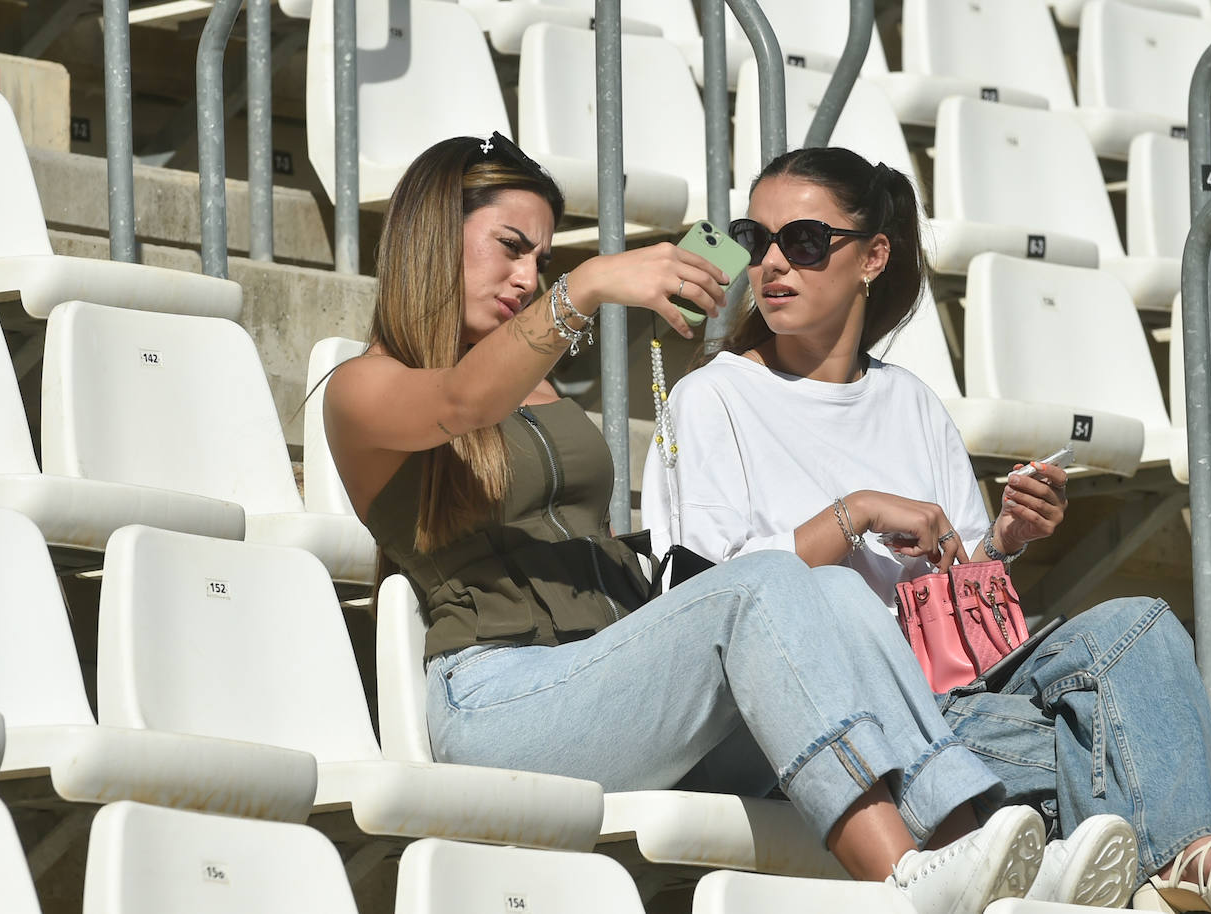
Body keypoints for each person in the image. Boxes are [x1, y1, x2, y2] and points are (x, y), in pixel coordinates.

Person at [322, 133, 1090, 914]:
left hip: (623, 687)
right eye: (511, 248)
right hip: (501, 700)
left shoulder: (536, 383)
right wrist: (586, 284)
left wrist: (755, 235)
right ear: (429, 238)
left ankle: (969, 858)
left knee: (839, 594)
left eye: (543, 258)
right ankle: (907, 884)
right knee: (761, 582)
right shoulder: (363, 389)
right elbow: (462, 403)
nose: (528, 277)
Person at [639, 145, 1211, 914]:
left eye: (806, 241)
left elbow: (954, 593)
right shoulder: (711, 398)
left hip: (950, 691)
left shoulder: (913, 403)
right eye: (757, 241)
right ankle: (1179, 857)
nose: (774, 264)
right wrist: (854, 513)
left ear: (873, 256)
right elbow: (711, 600)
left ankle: (1180, 855)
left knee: (1142, 624)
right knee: (1108, 742)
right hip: (836, 711)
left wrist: (1005, 542)